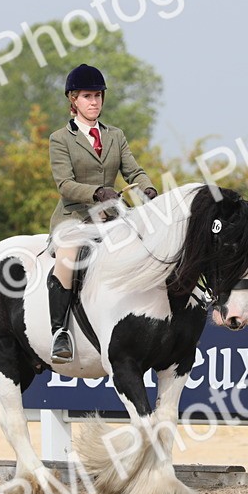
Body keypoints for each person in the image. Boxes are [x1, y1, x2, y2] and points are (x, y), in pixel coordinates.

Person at [47, 63, 157, 363]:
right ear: (73, 100)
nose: (94, 102)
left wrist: (148, 190)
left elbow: (134, 170)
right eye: (87, 96)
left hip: (112, 216)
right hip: (75, 218)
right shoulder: (60, 139)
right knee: (69, 256)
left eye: (97, 96)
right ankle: (60, 332)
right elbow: (65, 184)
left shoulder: (115, 136)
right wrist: (96, 192)